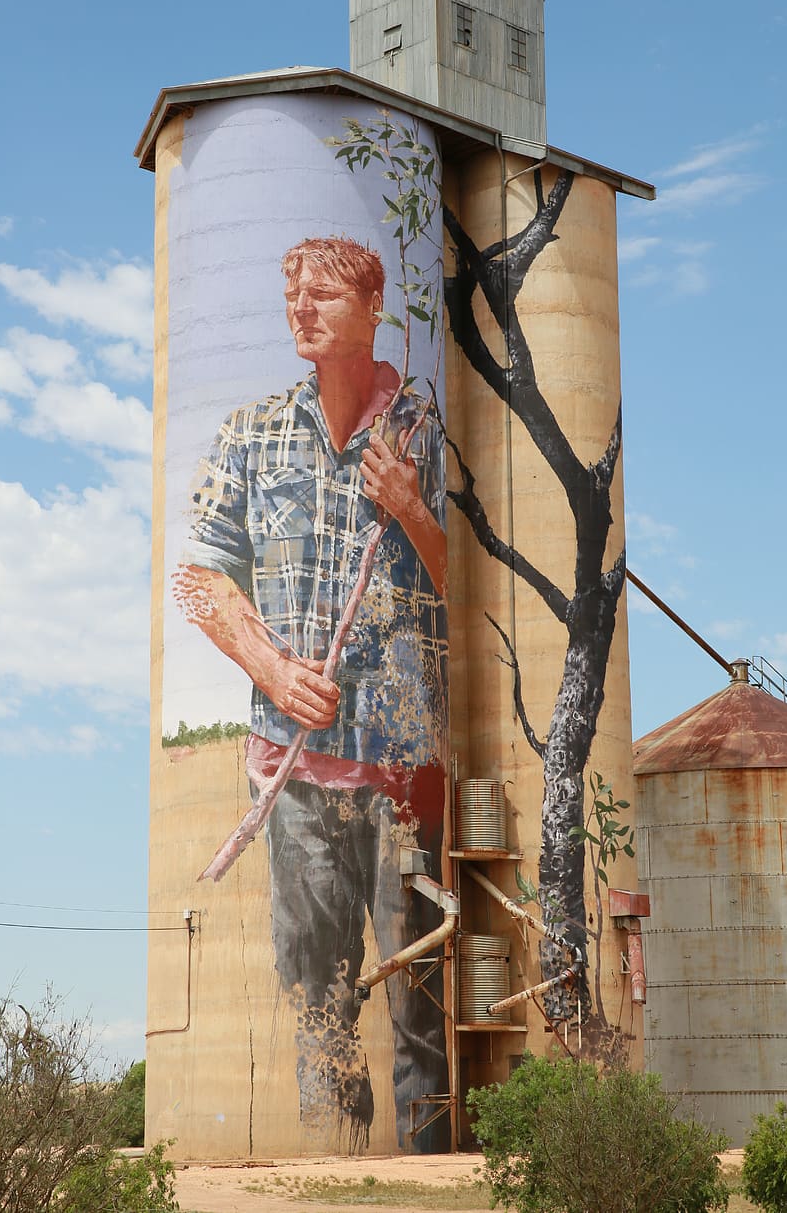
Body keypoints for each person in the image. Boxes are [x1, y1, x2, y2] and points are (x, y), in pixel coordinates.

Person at [174, 237, 449, 1153]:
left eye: (324, 293)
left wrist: (411, 506)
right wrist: (272, 669)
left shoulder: (418, 428)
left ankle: (427, 1172)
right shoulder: (250, 433)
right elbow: (200, 579)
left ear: (372, 308)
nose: (302, 308)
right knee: (317, 998)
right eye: (292, 292)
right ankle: (336, 1169)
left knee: (420, 995)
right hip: (290, 778)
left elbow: (473, 588)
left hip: (403, 766)